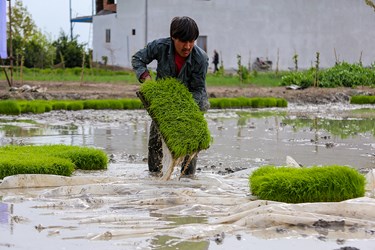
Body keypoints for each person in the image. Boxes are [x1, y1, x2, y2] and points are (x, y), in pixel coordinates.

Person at [132, 16, 210, 176]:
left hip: (192, 103)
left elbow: (197, 89)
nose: (188, 46)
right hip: (163, 102)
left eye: (191, 41)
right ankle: (154, 176)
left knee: (190, 142)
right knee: (155, 140)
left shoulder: (200, 58)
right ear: (173, 37)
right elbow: (138, 59)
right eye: (183, 41)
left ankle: (187, 178)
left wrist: (182, 113)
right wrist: (146, 78)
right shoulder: (160, 46)